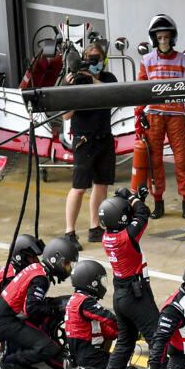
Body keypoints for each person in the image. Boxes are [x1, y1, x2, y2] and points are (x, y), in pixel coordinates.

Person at [96, 186, 161, 369]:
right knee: (157, 338)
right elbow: (143, 214)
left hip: (121, 296)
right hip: (136, 295)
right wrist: (133, 198)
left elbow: (131, 215)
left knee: (126, 340)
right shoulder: (127, 237)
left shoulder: (107, 235)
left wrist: (133, 200)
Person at [134, 14, 185, 220]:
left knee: (182, 160)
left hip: (176, 116)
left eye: (166, 37)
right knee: (154, 161)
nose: (163, 41)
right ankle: (158, 202)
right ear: (155, 39)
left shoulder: (184, 60)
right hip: (153, 115)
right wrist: (138, 116)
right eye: (159, 37)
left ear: (172, 38)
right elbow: (140, 91)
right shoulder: (146, 60)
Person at [0, 236, 76, 369]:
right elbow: (32, 308)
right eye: (66, 263)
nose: (68, 268)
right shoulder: (41, 279)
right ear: (55, 260)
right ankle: (7, 361)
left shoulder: (39, 269)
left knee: (51, 308)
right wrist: (56, 310)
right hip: (6, 321)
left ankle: (19, 359)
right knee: (50, 348)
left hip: (7, 315)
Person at [62, 41, 118, 251]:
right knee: (79, 187)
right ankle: (70, 231)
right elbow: (66, 114)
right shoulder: (75, 81)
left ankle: (96, 227)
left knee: (102, 184)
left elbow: (114, 94)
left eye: (97, 58)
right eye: (90, 58)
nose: (94, 63)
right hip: (84, 140)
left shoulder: (108, 78)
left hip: (104, 137)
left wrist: (93, 80)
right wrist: (73, 87)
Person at [0, 234, 44, 369]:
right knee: (27, 329)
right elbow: (9, 310)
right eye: (31, 257)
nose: (35, 261)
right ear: (20, 257)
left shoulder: (15, 268)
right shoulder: (11, 276)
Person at [64, 260, 119, 369]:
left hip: (76, 349)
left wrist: (116, 333)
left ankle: (73, 367)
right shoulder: (86, 302)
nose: (102, 284)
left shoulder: (75, 299)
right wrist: (127, 328)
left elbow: (100, 328)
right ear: (91, 282)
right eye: (100, 281)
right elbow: (108, 318)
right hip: (88, 351)